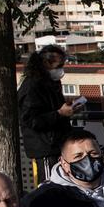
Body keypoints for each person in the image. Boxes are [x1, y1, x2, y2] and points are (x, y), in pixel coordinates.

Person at [18, 44, 77, 184]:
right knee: (48, 184)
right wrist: (60, 113)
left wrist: (66, 109)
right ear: (46, 63)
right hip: (45, 148)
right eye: (59, 65)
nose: (61, 70)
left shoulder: (49, 83)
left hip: (56, 144)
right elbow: (31, 120)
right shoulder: (33, 86)